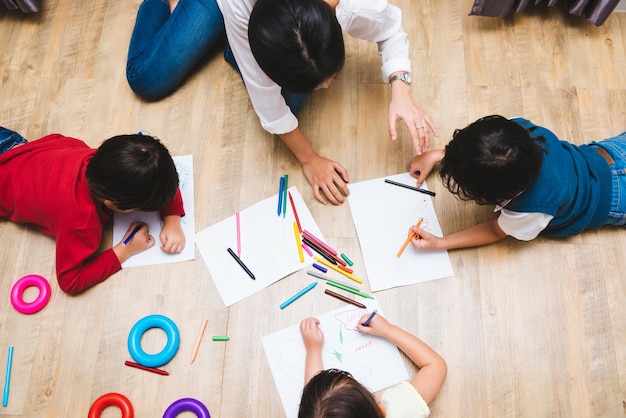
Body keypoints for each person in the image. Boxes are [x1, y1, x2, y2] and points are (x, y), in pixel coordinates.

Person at [126, 0, 438, 205]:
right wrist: (309, 159)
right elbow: (267, 102)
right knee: (146, 78)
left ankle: (234, 45)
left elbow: (392, 28)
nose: (328, 86)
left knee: (291, 101)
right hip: (233, 7)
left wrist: (400, 85)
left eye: (329, 75)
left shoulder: (357, 6)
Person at [0, 127, 186, 295]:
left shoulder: (106, 160)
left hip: (11, 145)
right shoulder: (81, 222)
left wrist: (172, 218)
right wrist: (123, 251)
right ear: (113, 204)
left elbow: (156, 178)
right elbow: (70, 281)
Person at [407, 115, 625, 251]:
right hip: (612, 152)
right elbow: (482, 150)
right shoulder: (520, 132)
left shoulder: (532, 210)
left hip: (615, 200)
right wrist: (439, 155)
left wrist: (441, 242)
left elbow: (495, 230)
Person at [298, 314, 446, 418]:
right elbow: (435, 366)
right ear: (381, 410)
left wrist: (313, 350)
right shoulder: (398, 412)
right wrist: (389, 330)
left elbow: (318, 402)